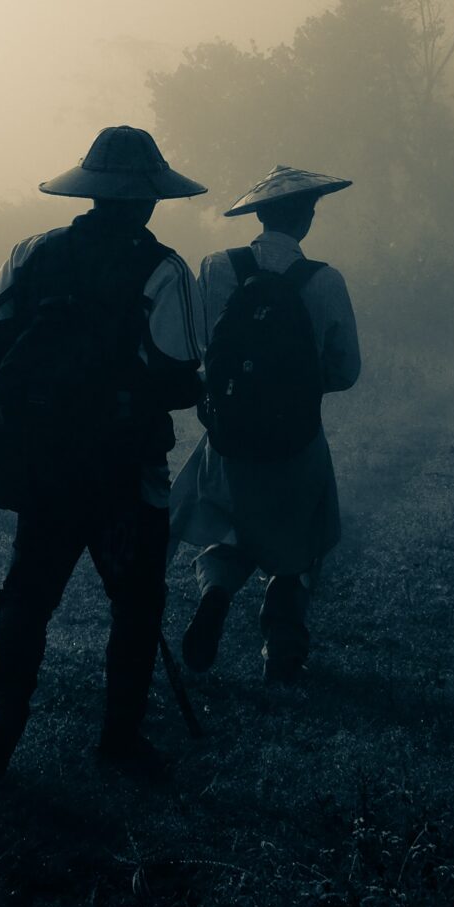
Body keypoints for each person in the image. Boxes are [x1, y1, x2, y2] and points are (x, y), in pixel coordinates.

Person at [0, 126, 204, 781]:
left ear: (92, 191)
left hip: (42, 460)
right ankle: (120, 739)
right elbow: (182, 380)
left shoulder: (36, 252)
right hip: (125, 469)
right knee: (136, 602)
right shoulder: (165, 269)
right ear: (150, 198)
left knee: (28, 597)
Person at [171, 165, 360, 682]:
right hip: (296, 439)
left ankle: (215, 592)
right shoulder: (325, 280)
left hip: (228, 435)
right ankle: (282, 645)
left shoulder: (214, 267)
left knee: (230, 524)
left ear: (258, 215)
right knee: (302, 536)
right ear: (307, 219)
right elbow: (346, 369)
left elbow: (197, 346)